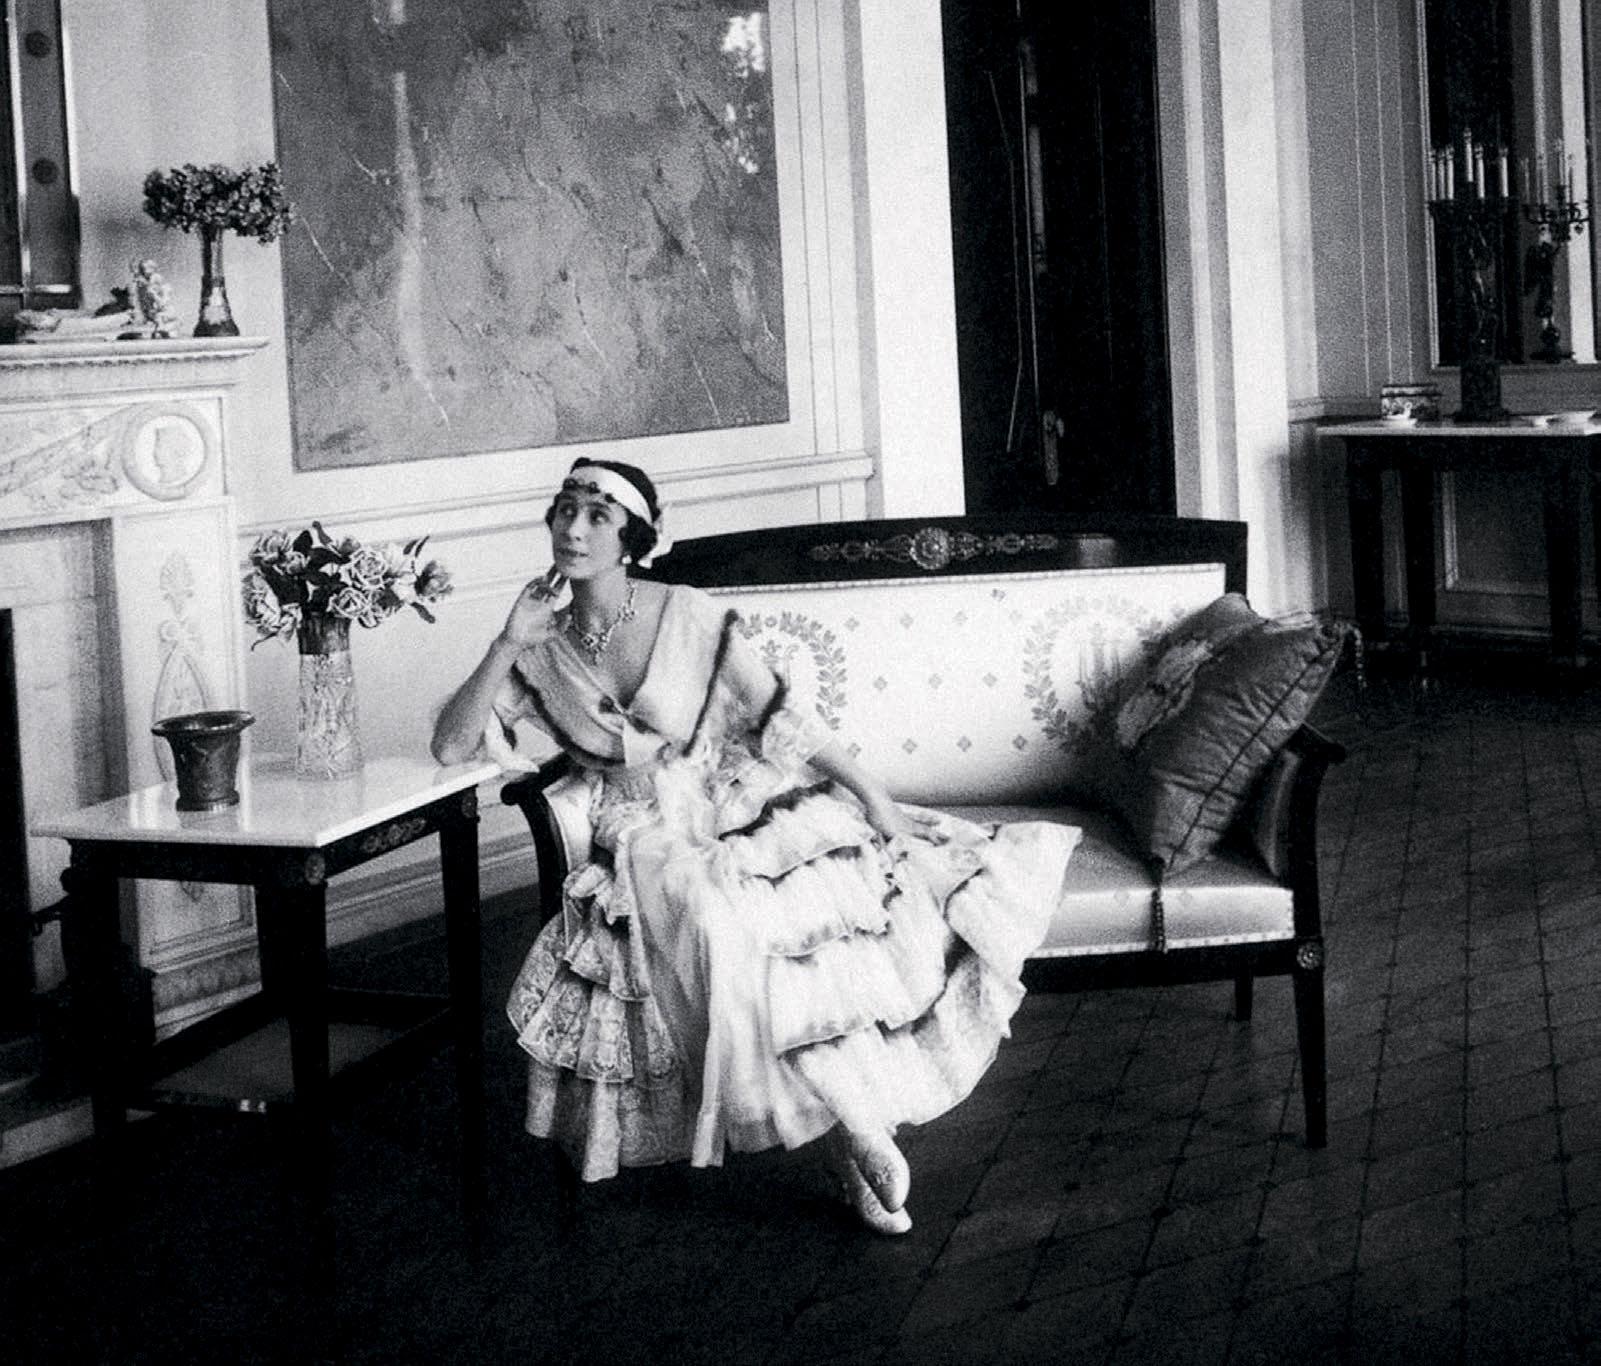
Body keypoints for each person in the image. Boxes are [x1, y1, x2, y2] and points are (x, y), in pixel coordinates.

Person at [432, 459, 1080, 1234]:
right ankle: (851, 1129)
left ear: (632, 538)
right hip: (645, 831)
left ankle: (852, 1133)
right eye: (564, 510)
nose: (572, 529)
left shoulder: (686, 612)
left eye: (597, 516)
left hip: (739, 798)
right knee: (713, 925)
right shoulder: (540, 648)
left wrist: (873, 796)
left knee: (795, 935)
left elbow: (781, 716)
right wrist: (507, 641)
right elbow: (451, 745)